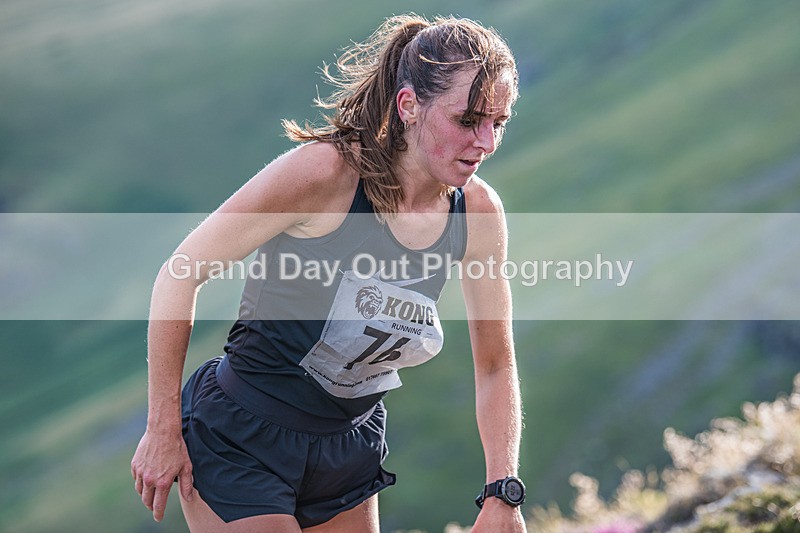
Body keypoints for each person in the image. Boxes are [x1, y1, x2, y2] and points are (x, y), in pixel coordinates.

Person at [131, 13, 525, 532]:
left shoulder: (477, 213)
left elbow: (495, 364)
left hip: (348, 448)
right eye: (468, 120)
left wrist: (503, 493)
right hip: (243, 440)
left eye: (498, 122)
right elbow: (179, 273)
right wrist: (162, 425)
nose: (487, 142)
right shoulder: (325, 174)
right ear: (409, 106)